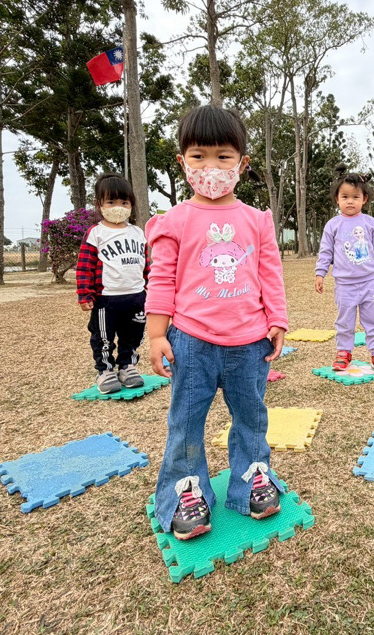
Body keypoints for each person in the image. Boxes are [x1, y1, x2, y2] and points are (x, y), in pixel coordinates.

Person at [145, 105, 288, 541]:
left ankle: (252, 478)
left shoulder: (256, 220)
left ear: (242, 163)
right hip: (191, 342)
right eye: (199, 156)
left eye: (223, 156)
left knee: (251, 417)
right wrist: (156, 333)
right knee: (186, 421)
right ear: (182, 162)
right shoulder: (174, 221)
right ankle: (186, 490)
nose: (211, 167)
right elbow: (162, 279)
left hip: (250, 343)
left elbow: (270, 273)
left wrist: (278, 319)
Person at [315, 165, 374, 374]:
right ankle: (344, 352)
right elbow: (325, 252)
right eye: (345, 197)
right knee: (344, 321)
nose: (350, 201)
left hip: (369, 283)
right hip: (344, 285)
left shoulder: (371, 223)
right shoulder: (332, 225)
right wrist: (320, 273)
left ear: (364, 199)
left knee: (372, 320)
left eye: (355, 197)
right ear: (337, 199)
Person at [75, 173, 149, 394]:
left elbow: (145, 264)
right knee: (103, 337)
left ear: (131, 204)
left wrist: (151, 287)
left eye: (124, 202)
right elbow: (85, 266)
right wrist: (85, 294)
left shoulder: (138, 233)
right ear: (99, 204)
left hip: (137, 296)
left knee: (133, 335)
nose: (118, 207)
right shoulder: (96, 233)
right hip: (106, 299)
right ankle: (105, 371)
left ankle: (127, 366)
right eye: (111, 202)